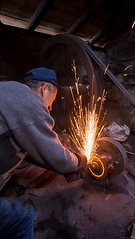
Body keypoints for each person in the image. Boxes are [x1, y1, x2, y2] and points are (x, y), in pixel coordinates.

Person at [0, 67, 87, 239]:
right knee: (23, 217)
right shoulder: (29, 101)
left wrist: (60, 166)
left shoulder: (6, 89)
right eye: (52, 100)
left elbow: (30, 147)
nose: (50, 106)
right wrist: (78, 162)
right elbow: (55, 155)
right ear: (45, 88)